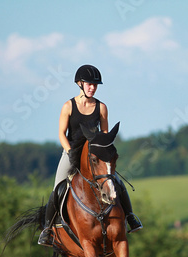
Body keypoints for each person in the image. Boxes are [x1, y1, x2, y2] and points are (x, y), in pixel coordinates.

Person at [38, 64, 143, 247]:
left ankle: (131, 217)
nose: (92, 87)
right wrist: (70, 152)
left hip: (93, 155)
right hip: (71, 152)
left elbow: (104, 134)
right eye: (89, 84)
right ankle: (47, 230)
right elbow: (62, 133)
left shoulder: (101, 107)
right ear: (79, 84)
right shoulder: (68, 106)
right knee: (58, 187)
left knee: (116, 182)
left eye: (95, 85)